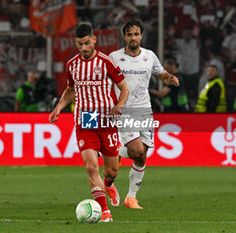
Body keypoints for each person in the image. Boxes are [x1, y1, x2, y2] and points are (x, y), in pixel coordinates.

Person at [48, 23, 129, 222]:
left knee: (111, 170)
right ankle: (105, 212)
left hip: (107, 120)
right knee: (91, 167)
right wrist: (58, 108)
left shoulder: (106, 62)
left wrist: (119, 105)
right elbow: (70, 90)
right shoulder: (72, 65)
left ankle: (108, 185)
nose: (83, 48)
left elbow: (124, 88)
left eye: (86, 43)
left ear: (94, 40)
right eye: (79, 44)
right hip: (85, 120)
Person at [109, 19, 179, 209]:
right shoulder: (114, 57)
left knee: (142, 156)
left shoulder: (149, 56)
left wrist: (169, 78)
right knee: (137, 150)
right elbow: (105, 81)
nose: (133, 38)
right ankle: (117, 153)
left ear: (141, 36)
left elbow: (160, 73)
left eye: (136, 34)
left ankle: (131, 197)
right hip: (124, 111)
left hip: (145, 110)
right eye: (129, 34)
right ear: (124, 36)